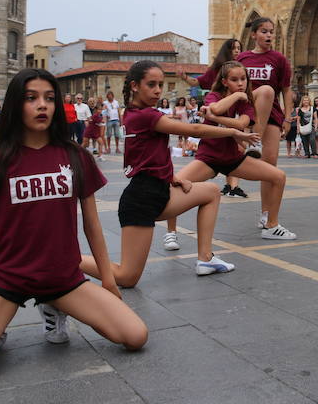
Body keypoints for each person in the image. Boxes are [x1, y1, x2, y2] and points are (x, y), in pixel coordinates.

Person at [0, 68, 147, 385]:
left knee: (135, 335)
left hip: (63, 278)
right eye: (31, 98)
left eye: (49, 98)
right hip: (9, 279)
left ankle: (52, 306)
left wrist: (107, 280)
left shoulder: (76, 156)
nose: (42, 106)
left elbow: (92, 226)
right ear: (14, 105)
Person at [80, 60, 259, 286]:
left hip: (156, 192)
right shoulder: (146, 116)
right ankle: (67, 261)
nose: (157, 90)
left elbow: (144, 157)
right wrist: (235, 132)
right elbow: (194, 129)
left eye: (160, 85)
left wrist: (173, 177)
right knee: (127, 277)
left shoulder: (134, 113)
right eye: (151, 84)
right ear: (135, 86)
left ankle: (206, 259)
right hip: (142, 200)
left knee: (211, 192)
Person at [170, 61, 296, 240]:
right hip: (209, 158)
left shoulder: (246, 104)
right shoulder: (214, 95)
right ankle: (171, 233)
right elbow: (217, 107)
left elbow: (241, 124)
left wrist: (214, 117)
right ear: (224, 82)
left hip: (234, 159)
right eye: (235, 80)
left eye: (243, 79)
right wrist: (236, 97)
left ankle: (271, 225)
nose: (241, 84)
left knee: (278, 177)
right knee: (175, 186)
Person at [236, 17, 294, 230]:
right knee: (266, 91)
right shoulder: (243, 58)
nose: (269, 35)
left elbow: (287, 90)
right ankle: (253, 141)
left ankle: (266, 214)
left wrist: (288, 117)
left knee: (269, 168)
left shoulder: (279, 59)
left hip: (272, 116)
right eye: (264, 31)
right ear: (253, 35)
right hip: (247, 112)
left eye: (271, 32)